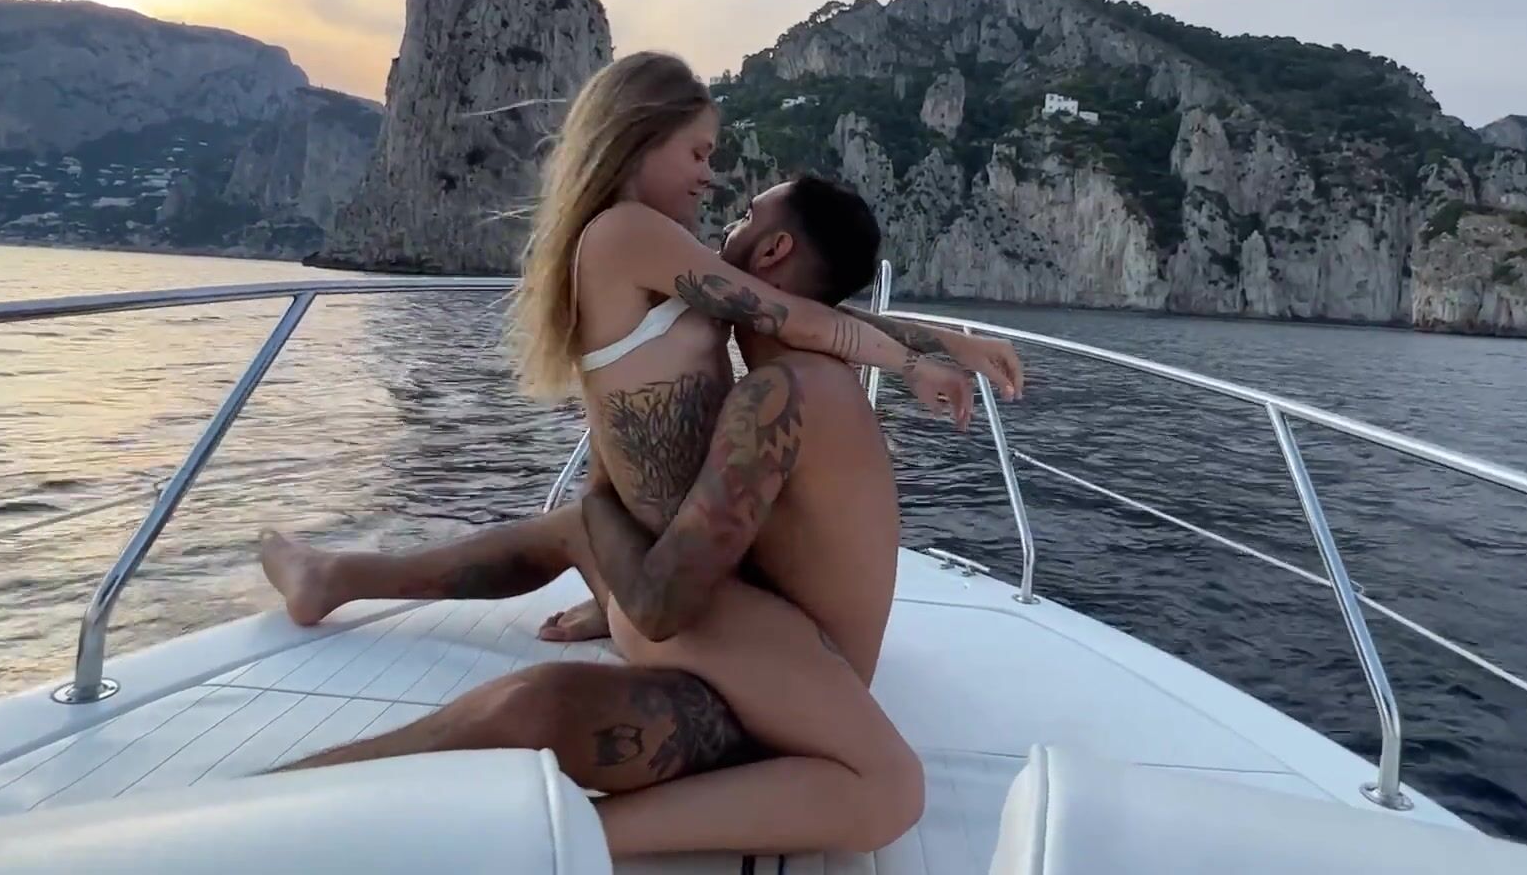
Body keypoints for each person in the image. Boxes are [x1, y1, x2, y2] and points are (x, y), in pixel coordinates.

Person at [260, 52, 1022, 857]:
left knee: (573, 534)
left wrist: (941, 342)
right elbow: (785, 312)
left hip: (680, 580)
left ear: (772, 248)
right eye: (698, 152)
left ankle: (340, 579)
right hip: (683, 592)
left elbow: (790, 310)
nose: (710, 179)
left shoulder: (667, 263)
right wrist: (914, 360)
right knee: (583, 535)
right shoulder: (630, 234)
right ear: (638, 137)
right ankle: (376, 776)